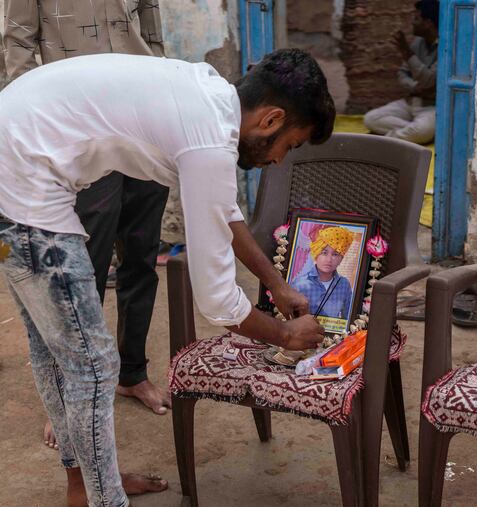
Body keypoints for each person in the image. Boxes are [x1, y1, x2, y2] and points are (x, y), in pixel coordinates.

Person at [0, 49, 333, 507]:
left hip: (15, 171)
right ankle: (104, 499)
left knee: (61, 357)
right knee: (93, 368)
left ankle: (87, 489)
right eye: (289, 146)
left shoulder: (209, 99)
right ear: (272, 120)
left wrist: (275, 283)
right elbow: (217, 301)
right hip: (24, 189)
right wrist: (283, 333)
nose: (279, 160)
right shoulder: (210, 139)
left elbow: (222, 211)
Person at [3, 0, 172, 450]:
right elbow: (17, 44)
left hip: (140, 121)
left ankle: (132, 373)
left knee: (140, 256)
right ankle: (67, 399)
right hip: (76, 130)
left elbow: (152, 34)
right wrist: (39, 126)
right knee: (80, 271)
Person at [363, 0, 439, 144]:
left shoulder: (446, 47)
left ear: (428, 23)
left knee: (422, 130)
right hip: (411, 101)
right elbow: (402, 74)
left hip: (431, 107)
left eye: (416, 19)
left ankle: (383, 141)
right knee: (371, 118)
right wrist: (414, 87)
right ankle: (408, 133)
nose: (412, 23)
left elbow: (429, 80)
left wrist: (406, 52)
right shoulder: (418, 42)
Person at [291, 226, 354, 323]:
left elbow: (348, 319)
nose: (329, 260)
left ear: (341, 259)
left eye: (335, 254)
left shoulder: (344, 284)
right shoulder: (300, 284)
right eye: (324, 253)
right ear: (316, 253)